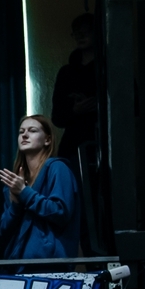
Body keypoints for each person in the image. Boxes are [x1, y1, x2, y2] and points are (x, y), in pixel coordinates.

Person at [0, 115, 80, 260]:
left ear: (47, 140)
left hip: (49, 264)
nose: (24, 135)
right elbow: (3, 229)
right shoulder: (15, 181)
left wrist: (25, 193)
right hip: (17, 266)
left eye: (32, 130)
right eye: (21, 131)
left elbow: (60, 212)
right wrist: (16, 204)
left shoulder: (58, 168)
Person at [50, 13, 99, 175]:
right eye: (76, 33)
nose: (80, 36)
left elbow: (132, 105)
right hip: (73, 147)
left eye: (85, 31)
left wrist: (96, 105)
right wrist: (75, 110)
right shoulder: (66, 73)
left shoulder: (110, 68)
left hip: (103, 144)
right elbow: (57, 117)